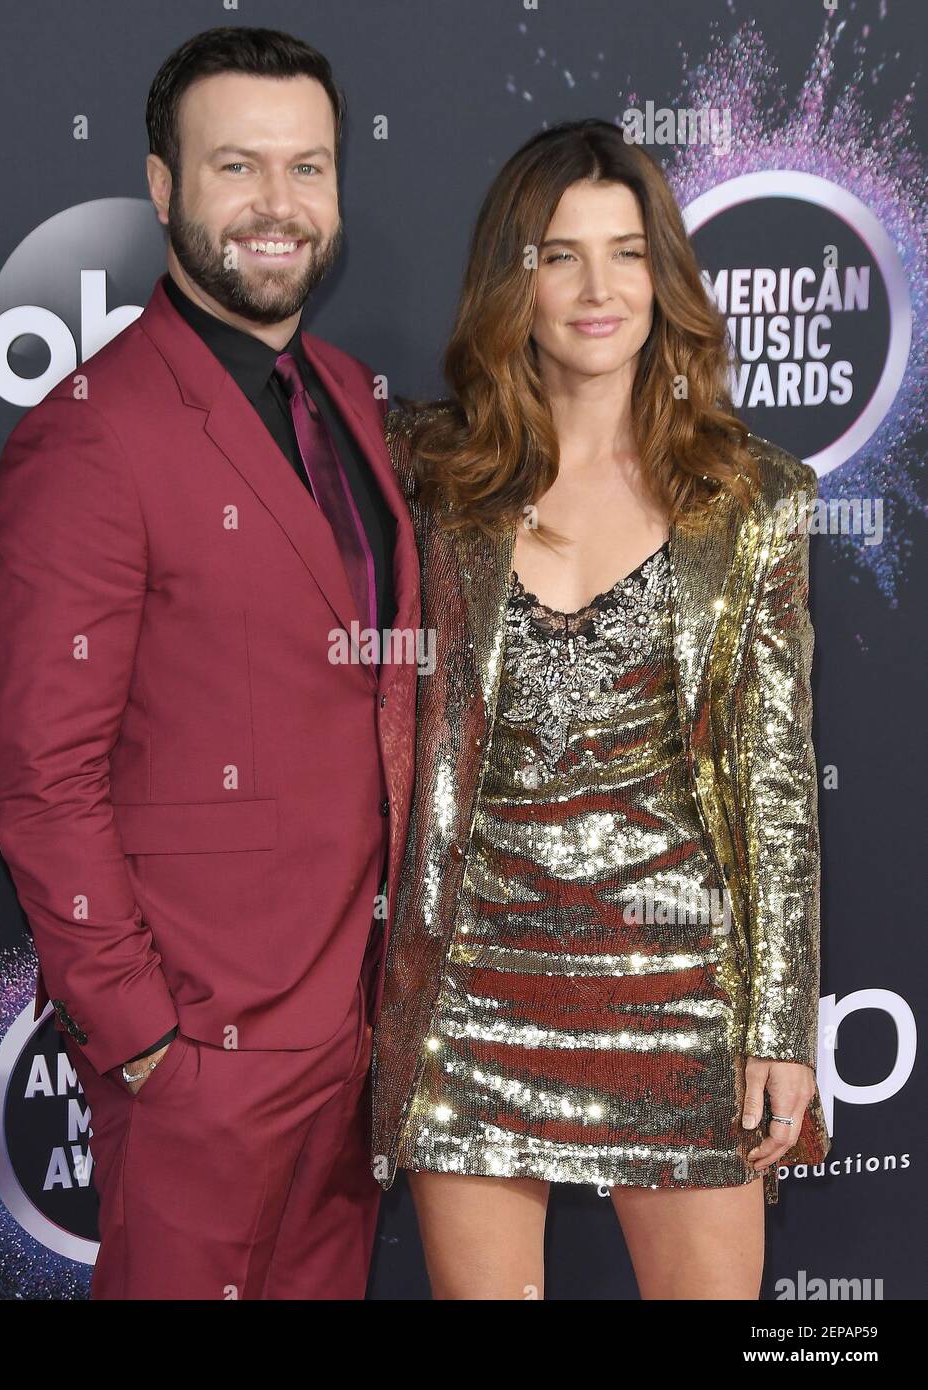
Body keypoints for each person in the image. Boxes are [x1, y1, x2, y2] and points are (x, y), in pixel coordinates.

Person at [0, 26, 420, 1299]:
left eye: (309, 168)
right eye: (238, 167)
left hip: (352, 1042)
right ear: (165, 188)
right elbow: (39, 775)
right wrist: (142, 1039)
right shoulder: (90, 436)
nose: (278, 206)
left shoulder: (345, 392)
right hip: (197, 1057)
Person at [371, 119, 831, 1300]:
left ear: (662, 277)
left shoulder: (751, 497)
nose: (595, 288)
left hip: (681, 990)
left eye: (625, 253)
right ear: (508, 283)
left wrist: (779, 1020)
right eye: (557, 254)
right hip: (472, 987)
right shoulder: (430, 475)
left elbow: (773, 779)